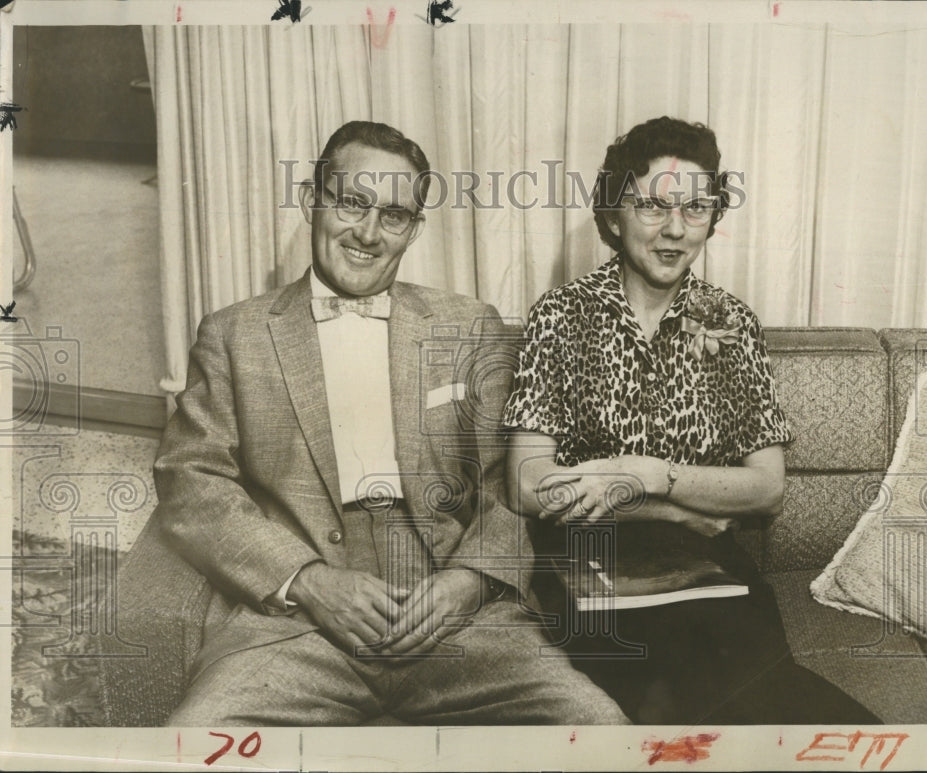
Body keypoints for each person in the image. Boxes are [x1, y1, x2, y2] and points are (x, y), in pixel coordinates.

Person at [157, 120, 628, 726]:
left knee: (597, 730)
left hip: (458, 613)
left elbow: (509, 484)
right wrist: (307, 580)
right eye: (352, 203)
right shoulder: (233, 334)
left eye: (394, 215)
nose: (369, 234)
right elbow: (189, 480)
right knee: (193, 743)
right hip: (297, 622)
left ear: (415, 228)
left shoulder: (467, 325)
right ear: (312, 201)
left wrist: (470, 582)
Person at [502, 115, 881, 725]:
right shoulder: (563, 316)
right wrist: (677, 506)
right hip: (589, 562)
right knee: (664, 712)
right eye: (653, 207)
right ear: (614, 213)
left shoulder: (729, 321)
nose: (675, 231)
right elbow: (524, 483)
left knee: (775, 706)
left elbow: (767, 487)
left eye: (696, 210)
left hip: (714, 565)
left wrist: (642, 473)